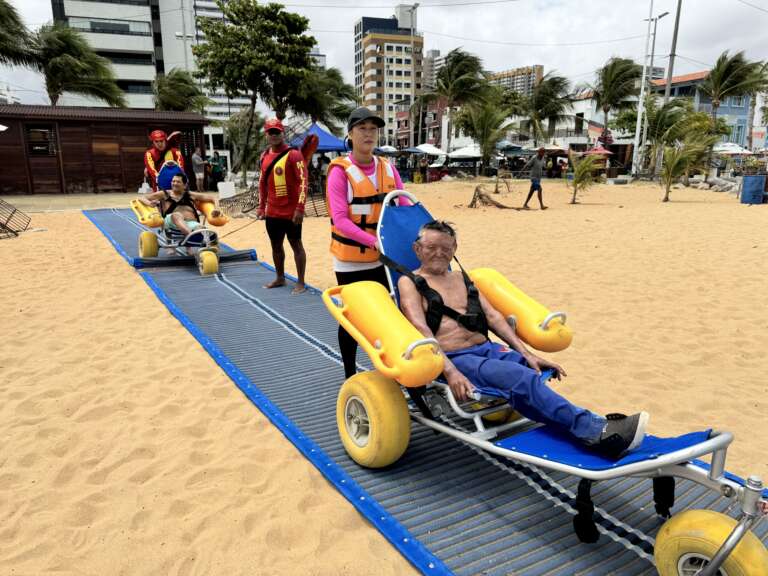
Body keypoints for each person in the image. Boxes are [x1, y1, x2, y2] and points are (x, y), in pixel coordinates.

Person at [397, 220, 649, 459]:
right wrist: (450, 372)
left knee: (527, 369)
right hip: (456, 358)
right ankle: (595, 432)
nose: (439, 253)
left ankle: (579, 425)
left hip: (487, 349)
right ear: (417, 249)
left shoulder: (461, 278)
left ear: (455, 250)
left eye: (446, 248)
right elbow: (421, 329)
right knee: (521, 379)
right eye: (431, 248)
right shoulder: (410, 282)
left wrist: (527, 353)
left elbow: (494, 317)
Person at [326, 106, 408, 378]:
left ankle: (390, 369)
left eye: (373, 129)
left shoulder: (388, 168)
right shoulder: (340, 172)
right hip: (351, 262)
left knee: (388, 312)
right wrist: (372, 240)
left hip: (383, 259)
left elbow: (403, 203)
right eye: (362, 128)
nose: (368, 134)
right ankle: (349, 373)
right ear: (350, 133)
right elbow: (340, 219)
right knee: (354, 318)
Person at [257, 117, 309, 294]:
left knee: (296, 245)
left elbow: (303, 181)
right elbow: (262, 184)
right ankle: (280, 277)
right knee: (276, 246)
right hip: (272, 212)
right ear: (266, 134)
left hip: (292, 213)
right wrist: (261, 207)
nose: (274, 135)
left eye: (277, 131)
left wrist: (300, 208)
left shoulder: (294, 154)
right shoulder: (264, 156)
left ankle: (301, 282)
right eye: (270, 132)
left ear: (282, 133)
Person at [137, 172, 218, 253]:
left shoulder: (190, 194)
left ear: (185, 185)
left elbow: (212, 198)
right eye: (173, 181)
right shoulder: (164, 194)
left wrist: (215, 209)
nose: (174, 183)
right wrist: (150, 204)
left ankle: (207, 245)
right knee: (177, 215)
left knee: (202, 229)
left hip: (191, 223)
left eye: (178, 182)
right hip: (171, 222)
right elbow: (141, 197)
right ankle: (190, 236)